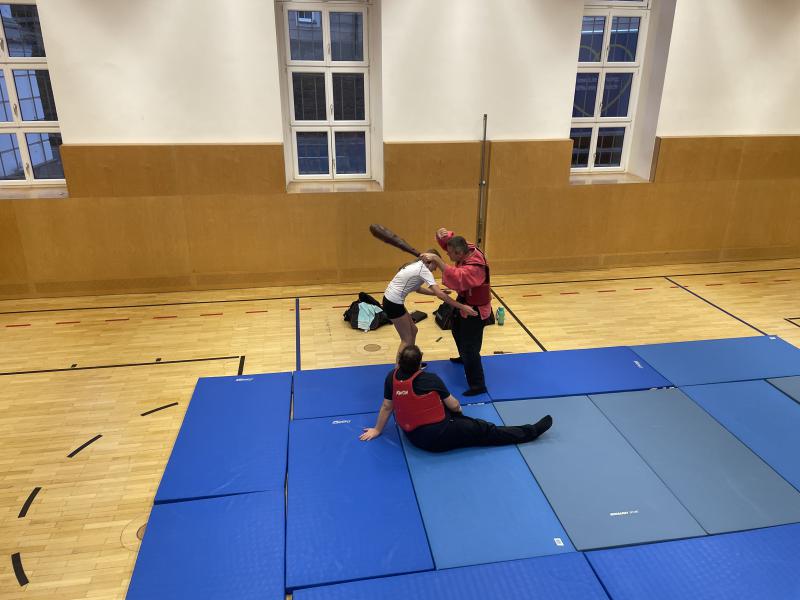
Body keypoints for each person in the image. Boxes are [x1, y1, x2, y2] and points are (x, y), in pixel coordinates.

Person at [359, 345, 552, 452]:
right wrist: (460, 415)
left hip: (412, 435)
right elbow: (455, 405)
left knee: (454, 417)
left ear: (399, 362)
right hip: (435, 438)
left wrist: (377, 429)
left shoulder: (391, 377)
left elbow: (387, 406)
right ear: (419, 363)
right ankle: (531, 432)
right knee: (483, 429)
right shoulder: (429, 379)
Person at [420, 228, 492, 396]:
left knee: (470, 348)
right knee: (456, 329)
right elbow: (451, 242)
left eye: (450, 253)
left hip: (475, 309)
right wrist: (442, 235)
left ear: (459, 253)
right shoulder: (466, 248)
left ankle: (478, 385)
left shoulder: (475, 268)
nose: (447, 254)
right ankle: (463, 357)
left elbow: (457, 277)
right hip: (465, 299)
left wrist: (438, 260)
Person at [382, 249, 476, 363]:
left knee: (413, 330)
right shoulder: (423, 270)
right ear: (430, 261)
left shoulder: (417, 266)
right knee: (406, 340)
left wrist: (436, 293)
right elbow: (441, 295)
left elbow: (418, 289)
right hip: (393, 304)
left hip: (393, 301)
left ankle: (411, 362)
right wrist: (462, 307)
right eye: (436, 265)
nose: (435, 269)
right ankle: (400, 370)